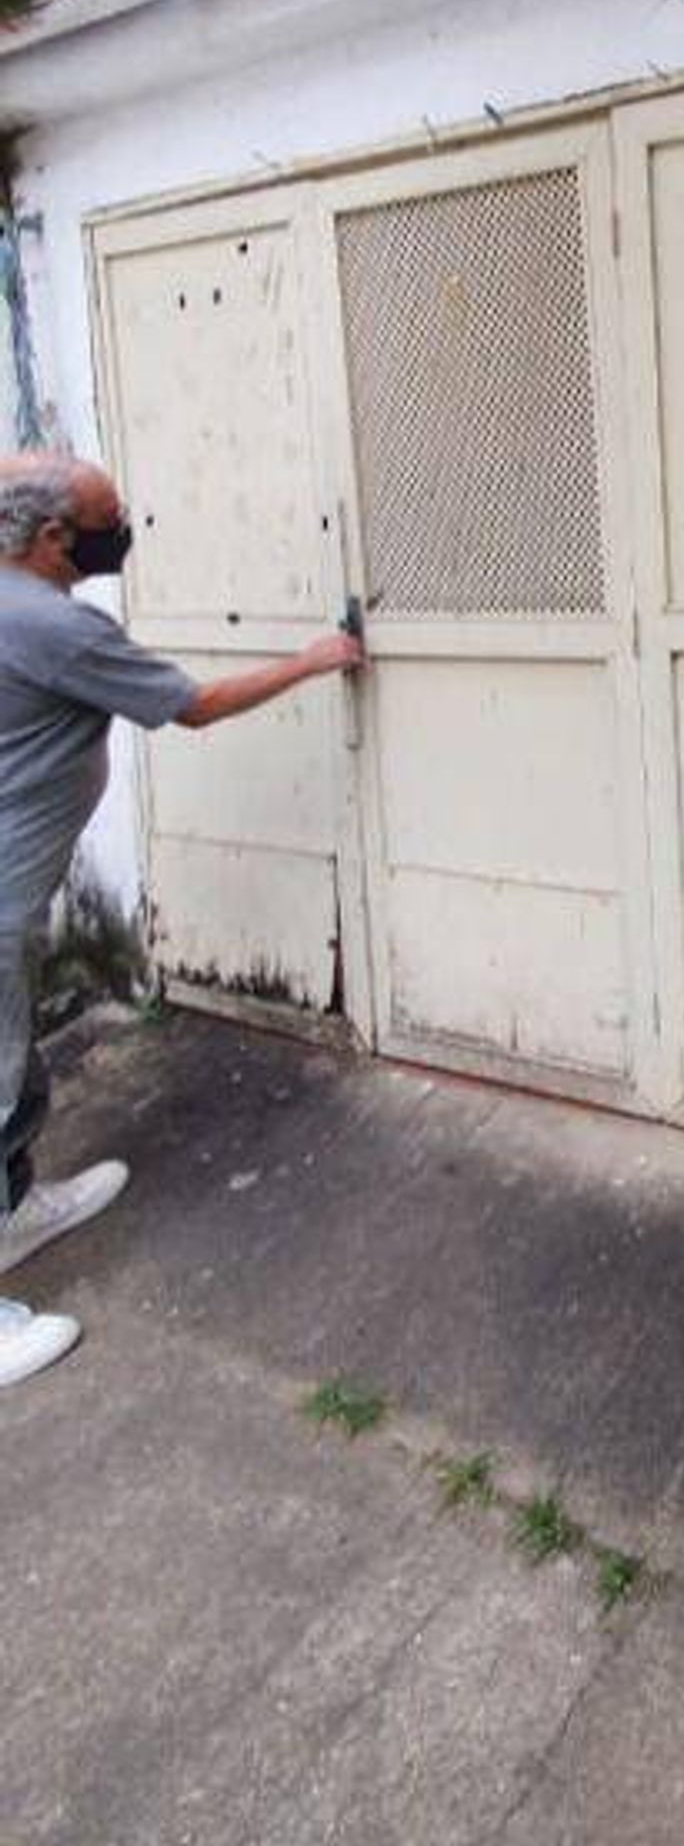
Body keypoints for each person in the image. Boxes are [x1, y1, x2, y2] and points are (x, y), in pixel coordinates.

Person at [0, 452, 363, 1388]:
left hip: (13, 895)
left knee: (16, 1074)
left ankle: (13, 1213)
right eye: (109, 514)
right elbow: (192, 708)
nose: (125, 525)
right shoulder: (52, 626)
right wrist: (314, 659)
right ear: (51, 539)